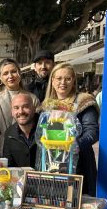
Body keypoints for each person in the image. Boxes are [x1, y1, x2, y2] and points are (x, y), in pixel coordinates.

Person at [41, 62, 99, 195]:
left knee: (75, 199)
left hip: (78, 163)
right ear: (52, 81)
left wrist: (74, 146)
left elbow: (92, 132)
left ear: (74, 80)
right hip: (51, 163)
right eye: (59, 78)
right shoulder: (45, 105)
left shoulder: (84, 101)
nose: (63, 82)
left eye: (68, 78)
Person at [0, 58, 40, 158]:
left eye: (13, 72)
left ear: (20, 74)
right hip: (0, 152)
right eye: (5, 73)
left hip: (28, 152)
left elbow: (36, 128)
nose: (10, 76)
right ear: (1, 78)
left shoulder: (32, 99)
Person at [2, 93, 39, 169]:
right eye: (16, 108)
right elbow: (9, 166)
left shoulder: (46, 128)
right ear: (12, 112)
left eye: (25, 107)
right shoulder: (9, 134)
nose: (21, 111)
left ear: (34, 109)